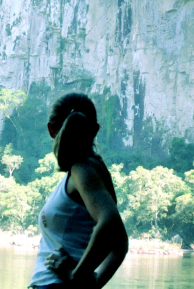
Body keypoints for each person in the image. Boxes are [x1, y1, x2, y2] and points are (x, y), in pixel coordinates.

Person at [29, 93, 128, 288]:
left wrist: (76, 275)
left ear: (51, 129)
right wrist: (90, 282)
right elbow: (119, 244)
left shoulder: (82, 169)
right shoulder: (92, 170)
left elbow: (109, 221)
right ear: (95, 130)